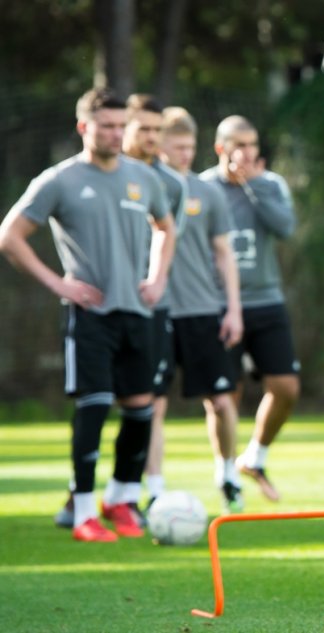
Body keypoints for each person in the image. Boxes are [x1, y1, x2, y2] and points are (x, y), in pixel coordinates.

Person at [0, 88, 176, 542]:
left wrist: (157, 277)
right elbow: (10, 236)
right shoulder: (59, 180)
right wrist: (58, 284)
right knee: (94, 407)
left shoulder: (143, 177)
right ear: (84, 127)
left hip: (138, 311)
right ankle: (82, 512)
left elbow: (166, 227)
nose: (116, 134)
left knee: (141, 410)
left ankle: (121, 499)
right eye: (107, 126)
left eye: (121, 126)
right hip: (91, 315)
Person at [199, 115, 298, 504]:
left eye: (252, 144)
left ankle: (255, 457)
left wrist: (252, 185)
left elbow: (285, 228)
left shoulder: (270, 184)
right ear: (220, 148)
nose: (247, 152)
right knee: (225, 396)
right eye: (239, 145)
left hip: (266, 300)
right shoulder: (203, 188)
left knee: (286, 388)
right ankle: (226, 473)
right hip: (217, 304)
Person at [160, 107, 246, 513]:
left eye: (190, 146)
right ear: (160, 145)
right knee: (152, 405)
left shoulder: (208, 193)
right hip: (157, 311)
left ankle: (228, 473)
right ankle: (153, 488)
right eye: (177, 146)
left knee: (222, 400)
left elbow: (224, 254)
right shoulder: (143, 187)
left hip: (202, 310)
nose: (185, 154)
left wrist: (233, 309)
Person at [120, 94, 187, 513]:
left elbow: (168, 238)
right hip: (104, 305)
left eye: (157, 130)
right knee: (97, 402)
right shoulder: (102, 174)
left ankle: (152, 489)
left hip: (152, 307)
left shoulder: (172, 185)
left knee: (152, 402)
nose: (151, 137)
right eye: (143, 128)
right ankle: (83, 492)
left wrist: (156, 282)